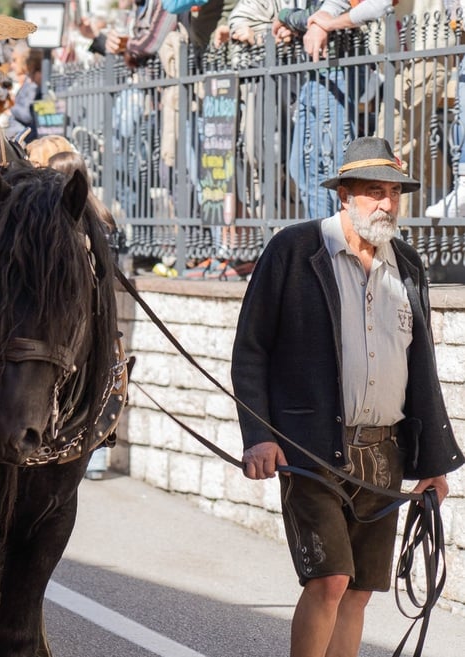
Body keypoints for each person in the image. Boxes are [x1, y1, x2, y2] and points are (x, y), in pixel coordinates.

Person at [231, 137, 463, 657]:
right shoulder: (294, 250)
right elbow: (250, 350)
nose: (387, 203)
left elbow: (421, 367)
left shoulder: (407, 264)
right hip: (310, 448)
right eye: (374, 191)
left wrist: (433, 464)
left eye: (394, 193)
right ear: (344, 194)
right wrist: (258, 436)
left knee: (358, 590)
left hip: (383, 453)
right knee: (330, 580)